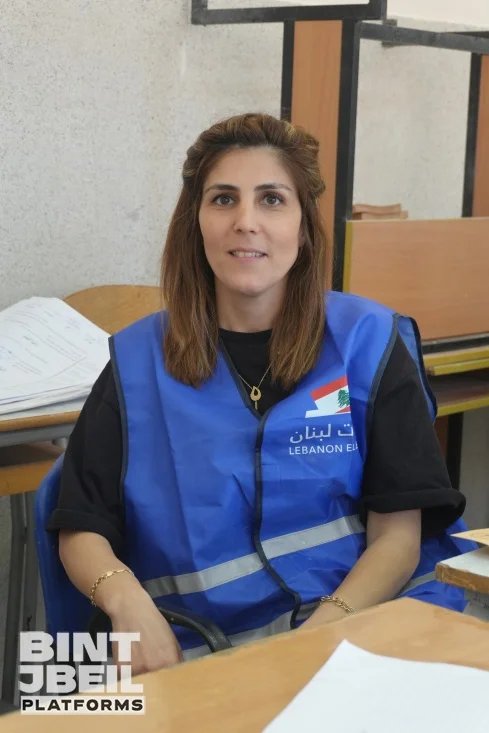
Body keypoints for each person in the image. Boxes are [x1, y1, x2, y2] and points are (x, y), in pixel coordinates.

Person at [48, 112, 470, 675]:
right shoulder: (136, 363)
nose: (245, 222)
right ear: (195, 222)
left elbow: (398, 536)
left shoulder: (369, 343)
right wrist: (127, 602)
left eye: (272, 199)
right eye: (223, 199)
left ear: (303, 224)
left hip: (358, 630)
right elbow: (80, 525)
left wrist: (317, 642)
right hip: (195, 654)